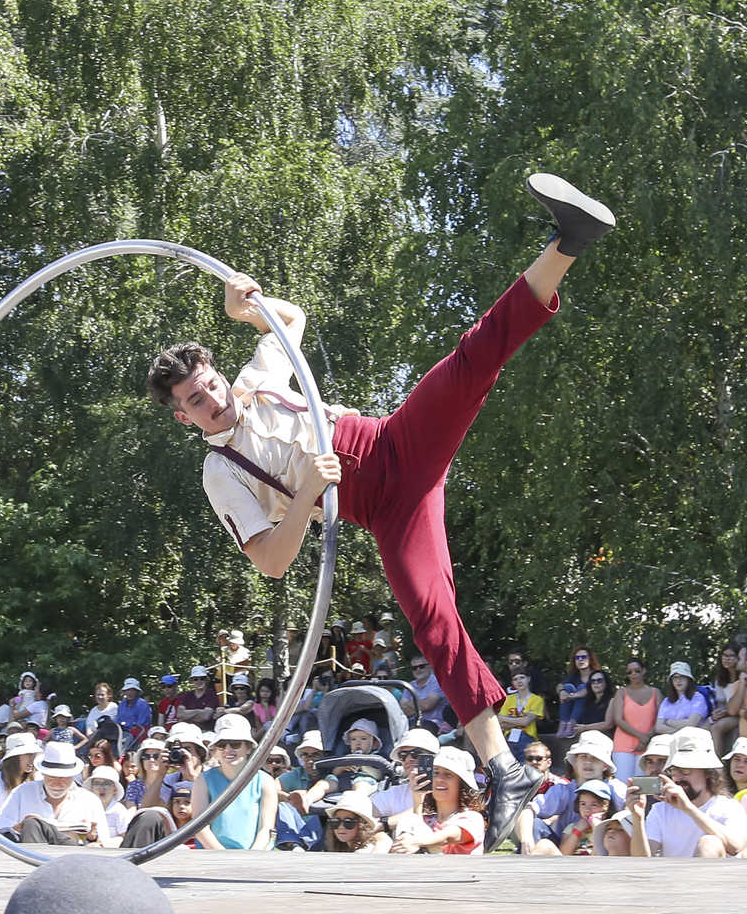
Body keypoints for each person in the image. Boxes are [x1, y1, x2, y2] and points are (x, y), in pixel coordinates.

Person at [146, 172, 615, 851]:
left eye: (209, 383)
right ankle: (504, 766)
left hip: (394, 443)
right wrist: (308, 491)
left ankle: (569, 239)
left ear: (219, 374)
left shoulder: (257, 381)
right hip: (384, 510)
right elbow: (274, 564)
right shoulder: (220, 473)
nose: (211, 399)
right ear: (182, 415)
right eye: (195, 400)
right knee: (432, 620)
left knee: (471, 360)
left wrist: (247, 310)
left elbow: (293, 321)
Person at [625, 727, 747, 858]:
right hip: (670, 877)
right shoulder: (660, 811)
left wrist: (688, 808)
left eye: (686, 770)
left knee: (710, 842)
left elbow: (737, 846)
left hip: (712, 878)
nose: (679, 778)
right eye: (675, 771)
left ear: (708, 773)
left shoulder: (729, 807)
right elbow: (642, 861)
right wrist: (638, 819)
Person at [0, 740, 112, 846]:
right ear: (43, 774)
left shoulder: (89, 800)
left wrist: (93, 839)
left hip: (74, 860)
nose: (57, 783)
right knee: (32, 824)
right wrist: (16, 830)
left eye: (64, 778)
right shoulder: (22, 793)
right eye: (52, 777)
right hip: (30, 860)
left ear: (72, 776)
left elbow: (105, 843)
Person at [189, 714, 277, 850]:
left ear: (248, 748)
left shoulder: (265, 781)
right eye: (222, 745)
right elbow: (200, 828)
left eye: (235, 744)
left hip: (255, 859)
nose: (228, 749)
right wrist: (224, 858)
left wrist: (251, 858)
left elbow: (266, 828)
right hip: (213, 859)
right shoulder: (203, 780)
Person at [387, 746, 485, 854]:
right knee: (408, 820)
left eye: (448, 775)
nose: (439, 779)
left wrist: (415, 842)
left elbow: (446, 837)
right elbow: (414, 826)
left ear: (462, 784)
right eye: (435, 773)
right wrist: (417, 798)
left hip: (458, 870)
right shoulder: (425, 819)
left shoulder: (473, 818)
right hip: (422, 869)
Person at [653, 662, 710, 734]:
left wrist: (668, 721)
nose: (678, 680)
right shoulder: (666, 701)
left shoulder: (698, 698)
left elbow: (691, 723)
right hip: (669, 739)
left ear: (688, 679)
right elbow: (658, 727)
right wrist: (677, 733)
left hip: (692, 738)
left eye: (682, 677)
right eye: (675, 678)